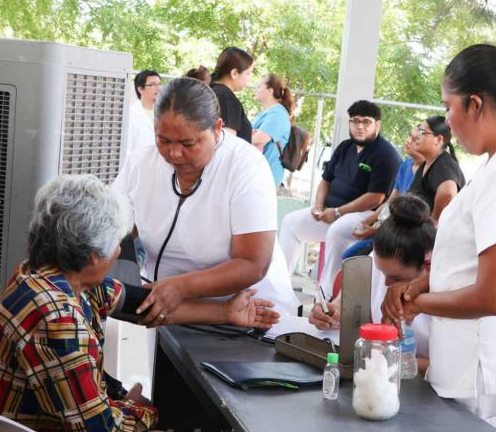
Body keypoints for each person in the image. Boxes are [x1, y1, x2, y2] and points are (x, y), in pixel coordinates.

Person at [0, 175, 279, 432]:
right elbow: (100, 427)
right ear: (94, 256)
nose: (121, 250)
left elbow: (144, 304)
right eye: (117, 243)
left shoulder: (44, 275)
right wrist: (143, 410)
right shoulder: (59, 318)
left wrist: (226, 312)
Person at [381, 40, 496, 432]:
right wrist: (420, 283)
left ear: (475, 105)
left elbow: (492, 296)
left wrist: (420, 303)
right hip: (477, 362)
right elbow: (470, 259)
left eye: (449, 107)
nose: (448, 119)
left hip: (486, 370)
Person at [113, 77, 300, 326]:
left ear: (217, 128)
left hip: (251, 313)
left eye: (188, 143)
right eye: (164, 140)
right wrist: (126, 286)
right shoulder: (141, 163)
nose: (174, 153)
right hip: (172, 310)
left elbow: (252, 263)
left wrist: (181, 287)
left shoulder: (245, 166)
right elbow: (114, 231)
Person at [279, 100, 401, 298]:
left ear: (377, 125)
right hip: (329, 212)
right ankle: (279, 287)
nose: (360, 126)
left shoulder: (386, 155)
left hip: (364, 216)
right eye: (355, 121)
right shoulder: (345, 147)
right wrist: (319, 206)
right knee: (291, 223)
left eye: (367, 122)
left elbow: (375, 197)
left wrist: (337, 212)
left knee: (337, 231)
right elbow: (325, 181)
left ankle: (327, 296)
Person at [310, 196, 435, 371]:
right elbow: (342, 302)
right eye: (380, 271)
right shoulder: (375, 263)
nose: (385, 283)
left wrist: (385, 361)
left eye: (397, 279)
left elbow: (448, 369)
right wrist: (332, 311)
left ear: (427, 263)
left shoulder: (447, 290)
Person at [343, 127, 426, 259]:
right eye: (409, 136)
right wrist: (365, 222)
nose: (408, 141)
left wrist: (376, 230)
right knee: (348, 256)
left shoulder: (427, 173)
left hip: (403, 236)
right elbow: (390, 202)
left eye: (415, 139)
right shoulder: (406, 165)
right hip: (387, 229)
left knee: (355, 259)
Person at [409, 115, 465, 222]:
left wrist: (434, 221)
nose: (415, 136)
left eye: (422, 132)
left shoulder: (443, 165)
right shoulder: (426, 163)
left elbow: (448, 192)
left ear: (438, 139)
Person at [252, 74, 294, 186]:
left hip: (265, 176)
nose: (255, 89)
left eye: (259, 86)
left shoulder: (278, 114)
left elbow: (259, 139)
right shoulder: (267, 112)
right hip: (256, 174)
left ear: (270, 91)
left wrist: (251, 135)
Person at [209, 47, 254, 142]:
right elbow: (227, 143)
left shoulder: (210, 90)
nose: (249, 78)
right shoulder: (226, 98)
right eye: (248, 73)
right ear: (234, 73)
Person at [127, 69, 161, 154]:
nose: (158, 88)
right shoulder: (130, 114)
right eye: (153, 84)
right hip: (137, 164)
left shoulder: (164, 113)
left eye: (159, 84)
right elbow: (127, 147)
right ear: (140, 89)